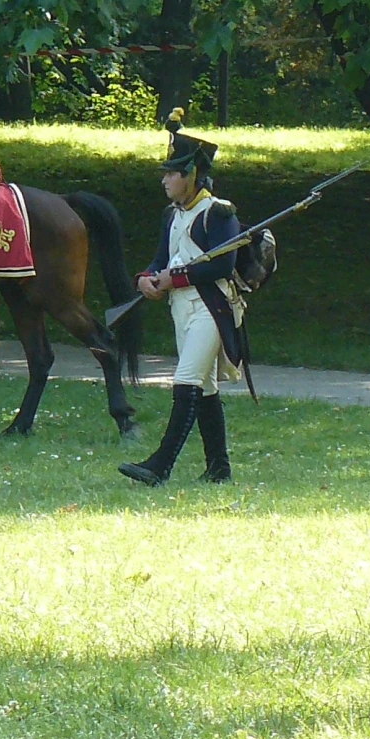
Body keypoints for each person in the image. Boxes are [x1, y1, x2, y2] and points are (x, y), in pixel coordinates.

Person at [120, 111, 244, 486]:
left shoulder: (218, 213)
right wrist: (146, 279)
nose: (165, 179)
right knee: (205, 387)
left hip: (211, 307)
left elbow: (222, 266)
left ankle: (161, 464)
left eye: (171, 173)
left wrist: (172, 279)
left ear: (191, 175)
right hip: (181, 308)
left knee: (187, 379)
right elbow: (162, 257)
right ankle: (218, 466)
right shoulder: (171, 215)